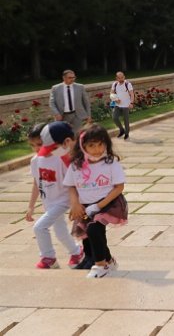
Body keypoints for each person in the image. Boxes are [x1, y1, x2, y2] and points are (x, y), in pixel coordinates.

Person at [65, 124, 128, 278]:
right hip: (84, 205)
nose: (97, 149)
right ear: (82, 146)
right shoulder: (76, 165)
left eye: (101, 144)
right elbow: (71, 186)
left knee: (94, 229)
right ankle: (108, 260)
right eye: (92, 145)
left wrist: (98, 206)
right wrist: (75, 204)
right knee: (88, 235)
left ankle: (101, 265)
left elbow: (119, 187)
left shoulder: (110, 162)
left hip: (108, 204)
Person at [25, 122, 84, 270]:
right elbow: (36, 183)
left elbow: (72, 182)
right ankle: (76, 252)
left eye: (39, 144)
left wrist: (76, 202)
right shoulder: (35, 161)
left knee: (39, 227)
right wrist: (31, 206)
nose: (37, 148)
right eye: (33, 145)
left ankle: (48, 258)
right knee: (60, 232)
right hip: (48, 201)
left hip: (63, 200)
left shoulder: (61, 158)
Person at [49, 70, 91, 134]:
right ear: (64, 78)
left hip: (77, 115)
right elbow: (51, 103)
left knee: (77, 134)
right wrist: (57, 113)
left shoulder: (80, 87)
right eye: (70, 78)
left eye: (73, 77)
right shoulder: (55, 88)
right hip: (62, 116)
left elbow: (86, 102)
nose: (72, 79)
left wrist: (88, 115)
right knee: (63, 134)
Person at [110, 72, 134, 140]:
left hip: (126, 105)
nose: (121, 79)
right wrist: (115, 99)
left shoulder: (128, 84)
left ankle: (126, 133)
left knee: (126, 120)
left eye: (122, 77)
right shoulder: (114, 84)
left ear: (124, 77)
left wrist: (131, 103)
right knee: (114, 118)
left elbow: (132, 94)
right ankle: (121, 130)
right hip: (117, 105)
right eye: (119, 78)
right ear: (116, 78)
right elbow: (111, 93)